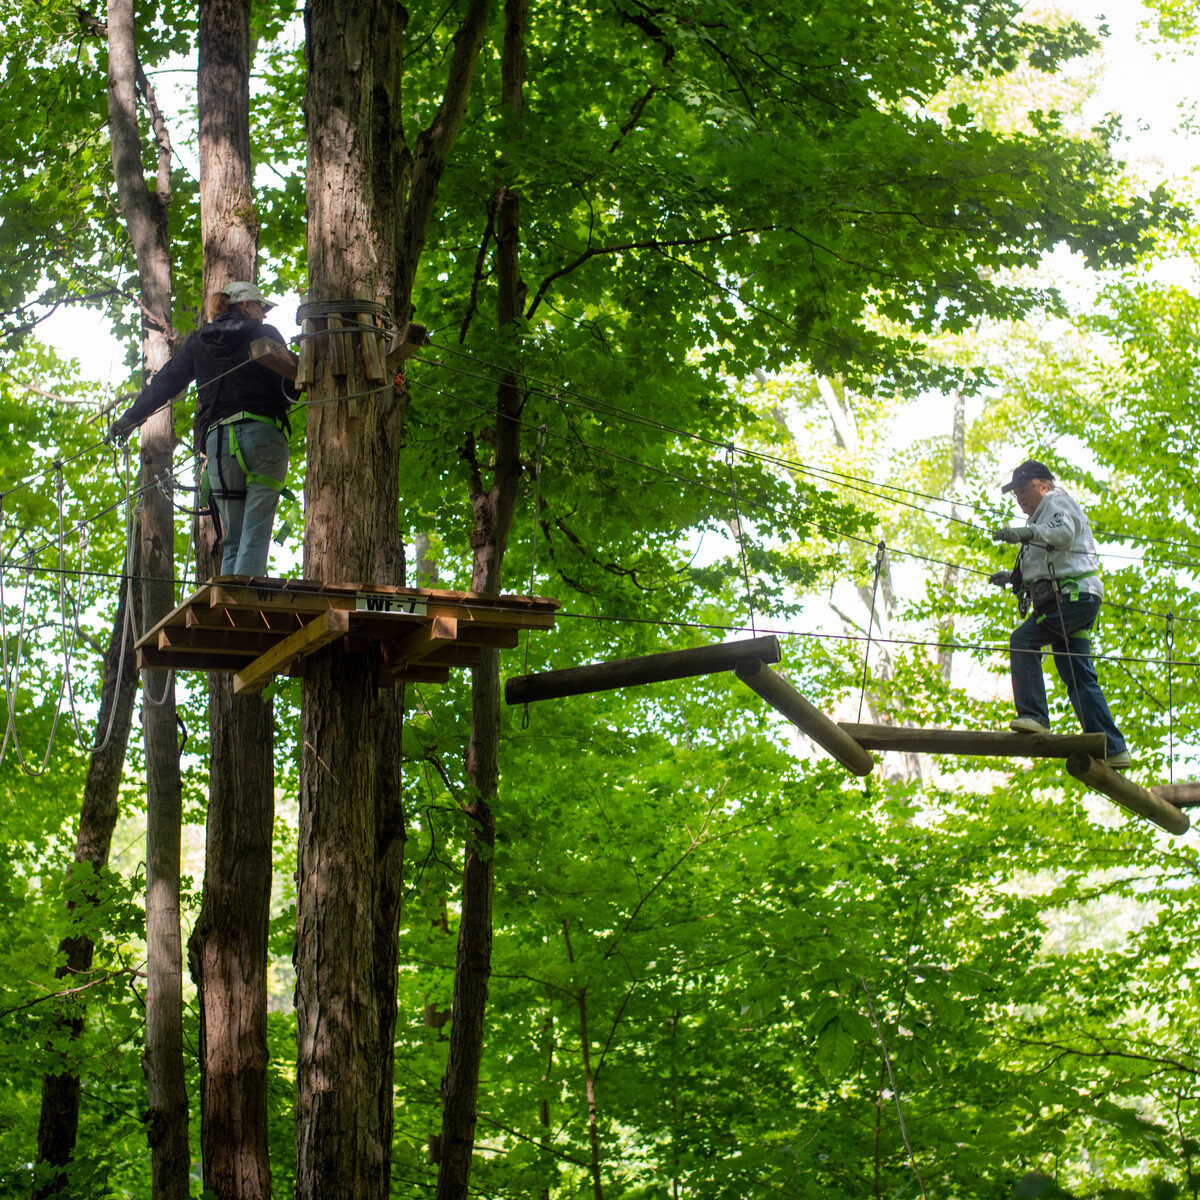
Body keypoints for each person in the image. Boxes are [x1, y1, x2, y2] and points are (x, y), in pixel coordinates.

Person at [107, 281, 300, 578]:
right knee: (254, 537)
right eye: (261, 307)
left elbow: (166, 383)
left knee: (233, 540)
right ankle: (243, 611)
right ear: (245, 305)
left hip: (220, 448)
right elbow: (289, 392)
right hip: (263, 440)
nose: (264, 314)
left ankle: (229, 610)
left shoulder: (199, 341)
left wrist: (129, 419)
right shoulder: (265, 334)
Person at [989, 459, 1130, 768]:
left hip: (1072, 599)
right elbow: (1045, 563)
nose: (1020, 498)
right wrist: (1013, 578)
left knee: (1023, 640)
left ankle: (1034, 716)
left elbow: (1063, 534)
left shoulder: (1058, 502)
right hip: (1070, 600)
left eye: (1025, 490)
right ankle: (1113, 748)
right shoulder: (1040, 519)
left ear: (1044, 485)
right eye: (1016, 494)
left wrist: (1023, 535)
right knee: (1077, 676)